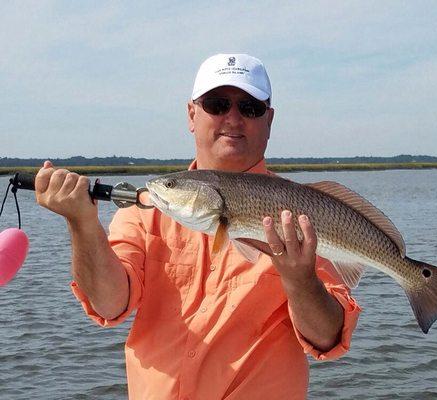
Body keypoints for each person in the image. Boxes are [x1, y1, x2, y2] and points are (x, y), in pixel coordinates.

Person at [35, 53, 361, 400]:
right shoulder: (146, 207)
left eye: (249, 107)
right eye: (217, 104)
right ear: (192, 113)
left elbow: (327, 337)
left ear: (269, 120)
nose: (232, 118)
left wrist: (300, 280)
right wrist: (83, 225)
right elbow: (109, 304)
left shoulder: (299, 214)